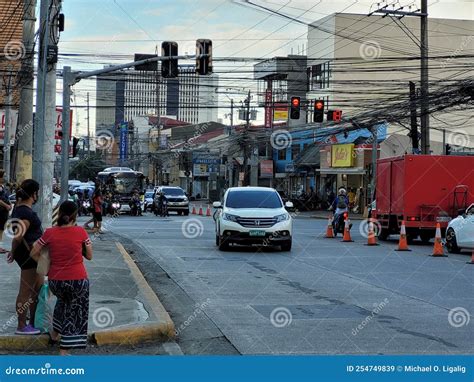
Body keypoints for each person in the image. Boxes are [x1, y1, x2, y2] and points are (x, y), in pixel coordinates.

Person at [30, 201, 92, 355]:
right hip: (77, 280)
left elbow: (33, 252)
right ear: (75, 215)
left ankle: (54, 334)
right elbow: (90, 256)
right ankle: (64, 350)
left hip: (55, 280)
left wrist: (47, 266)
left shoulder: (50, 232)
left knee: (63, 302)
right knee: (75, 311)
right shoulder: (81, 232)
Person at [8, 179, 43, 335]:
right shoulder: (25, 213)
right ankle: (22, 326)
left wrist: (13, 251)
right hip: (31, 256)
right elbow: (18, 236)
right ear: (34, 194)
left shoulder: (18, 209)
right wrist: (14, 251)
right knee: (26, 291)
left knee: (37, 290)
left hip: (32, 256)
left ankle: (33, 322)